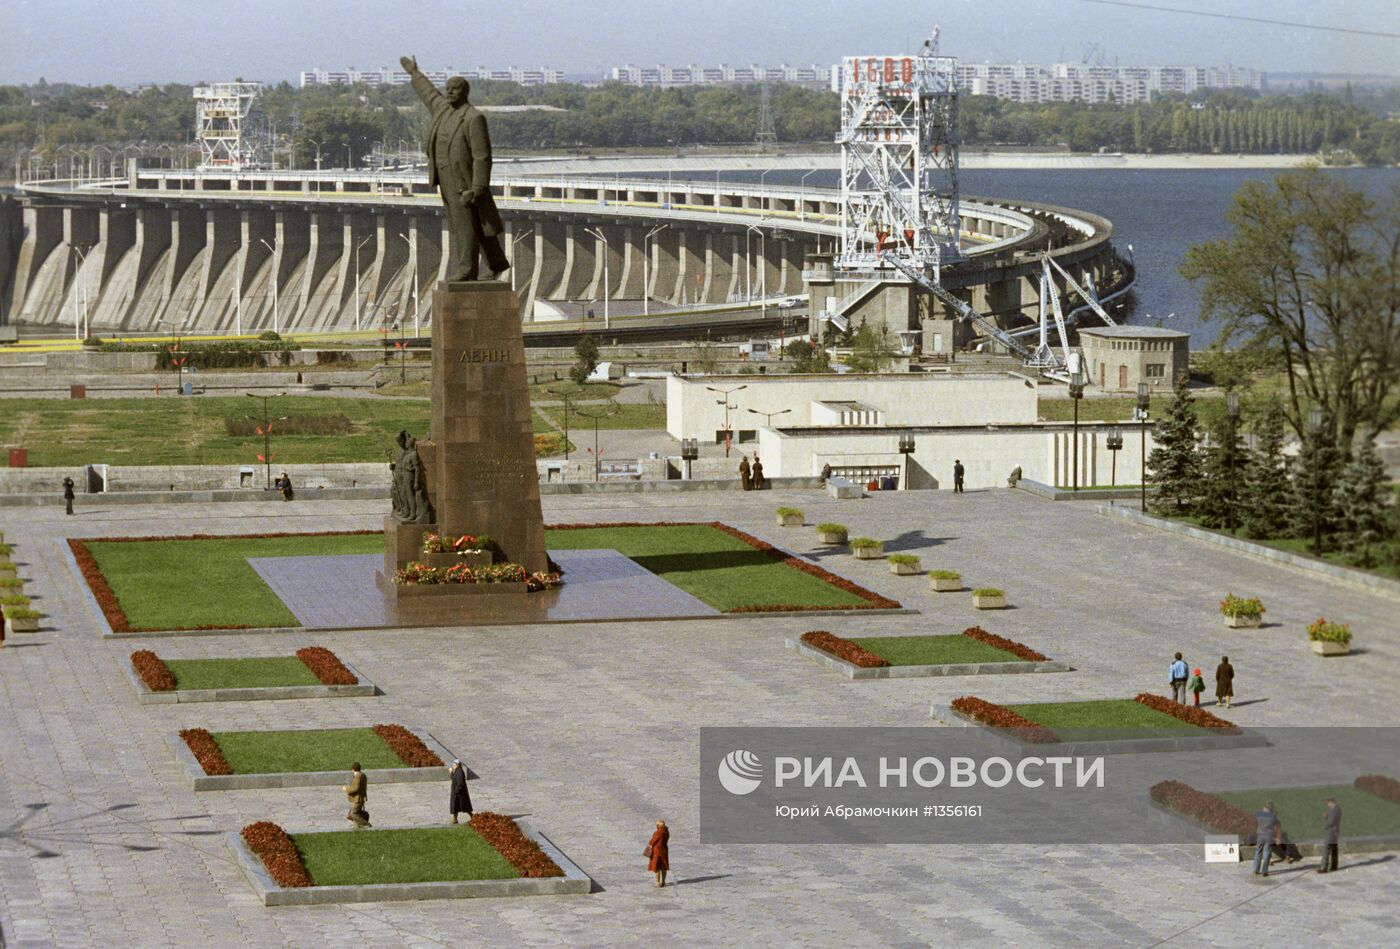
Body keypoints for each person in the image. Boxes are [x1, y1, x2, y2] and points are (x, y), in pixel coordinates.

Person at [400, 55, 509, 282]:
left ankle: (466, 269)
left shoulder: (473, 118)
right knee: (478, 224)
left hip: (465, 183)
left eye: (455, 89)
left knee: (465, 227)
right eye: (447, 89)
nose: (449, 92)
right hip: (446, 179)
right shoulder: (443, 110)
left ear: (464, 92)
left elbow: (482, 156)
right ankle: (496, 262)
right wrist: (414, 73)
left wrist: (478, 187)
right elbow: (428, 93)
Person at [1251, 801, 1277, 877]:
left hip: (1260, 835)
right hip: (1269, 835)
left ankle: (1255, 870)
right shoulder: (1273, 816)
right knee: (1267, 853)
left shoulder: (1258, 814)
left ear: (1264, 807)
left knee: (1258, 851)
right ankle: (1264, 871)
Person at [344, 762, 370, 828]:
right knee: (357, 813)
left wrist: (346, 789)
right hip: (360, 797)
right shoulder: (362, 775)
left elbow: (356, 788)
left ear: (352, 769)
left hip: (358, 799)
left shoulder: (358, 776)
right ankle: (357, 827)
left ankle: (366, 824)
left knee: (353, 814)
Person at [1319, 798, 1342, 873]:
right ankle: (1334, 866)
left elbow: (1331, 822)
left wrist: (1325, 825)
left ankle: (1323, 867)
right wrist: (1327, 817)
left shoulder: (1334, 810)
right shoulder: (1337, 809)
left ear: (1331, 802)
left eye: (1328, 803)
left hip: (1331, 832)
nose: (1327, 805)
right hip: (1334, 832)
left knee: (1326, 848)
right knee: (1334, 848)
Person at [645, 819, 670, 887]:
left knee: (657, 868)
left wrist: (649, 846)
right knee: (664, 867)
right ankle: (663, 882)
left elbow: (652, 841)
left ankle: (657, 883)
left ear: (658, 826)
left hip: (657, 852)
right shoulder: (666, 832)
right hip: (664, 851)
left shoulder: (658, 833)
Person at [449, 759, 473, 824]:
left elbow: (460, 784)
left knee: (464, 807)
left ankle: (472, 817)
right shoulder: (457, 771)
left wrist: (456, 792)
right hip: (457, 793)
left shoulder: (460, 773)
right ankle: (454, 819)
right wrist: (451, 773)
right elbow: (454, 779)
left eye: (454, 764)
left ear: (457, 765)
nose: (453, 766)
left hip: (460, 794)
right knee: (455, 807)